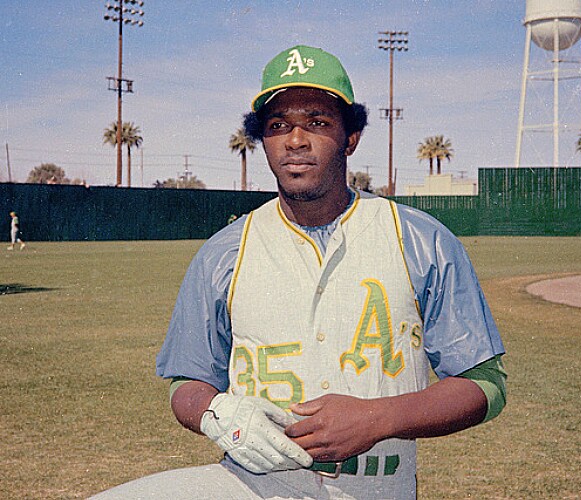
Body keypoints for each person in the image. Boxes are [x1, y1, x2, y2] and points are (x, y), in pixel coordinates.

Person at [94, 45, 506, 499]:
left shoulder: (420, 239)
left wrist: (379, 418)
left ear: (350, 137)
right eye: (278, 125)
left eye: (317, 122)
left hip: (375, 487)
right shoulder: (223, 253)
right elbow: (185, 383)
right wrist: (218, 415)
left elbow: (484, 385)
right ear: (262, 140)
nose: (295, 140)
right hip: (252, 483)